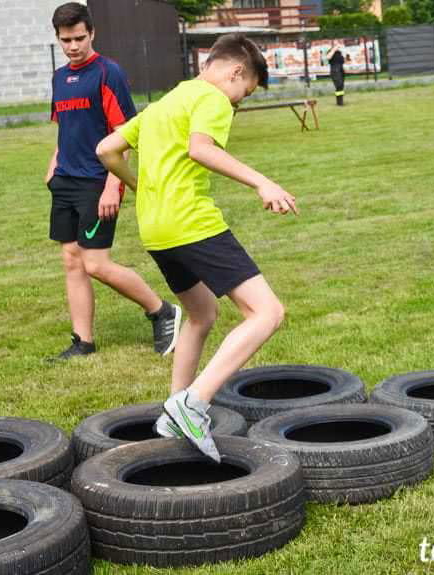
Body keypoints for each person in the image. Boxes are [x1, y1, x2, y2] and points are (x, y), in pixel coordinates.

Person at [96, 33, 298, 462]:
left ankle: (175, 408)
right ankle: (192, 404)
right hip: (191, 223)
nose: (238, 103)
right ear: (235, 71)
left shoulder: (165, 103)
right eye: (245, 92)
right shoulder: (212, 98)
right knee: (267, 312)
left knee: (202, 314)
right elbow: (200, 150)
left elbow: (107, 149)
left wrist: (142, 188)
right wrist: (262, 182)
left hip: (156, 229)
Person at [45, 2, 181, 360]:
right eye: (66, 40)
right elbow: (66, 129)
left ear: (92, 33)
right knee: (72, 261)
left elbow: (125, 135)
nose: (73, 46)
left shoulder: (109, 73)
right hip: (65, 181)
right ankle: (83, 342)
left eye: (79, 38)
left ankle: (162, 311)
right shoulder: (59, 78)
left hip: (97, 181)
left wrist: (112, 185)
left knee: (95, 264)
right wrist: (54, 164)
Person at [326, 42, 346, 106]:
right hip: (334, 70)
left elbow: (343, 61)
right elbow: (328, 57)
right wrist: (334, 49)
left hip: (341, 69)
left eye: (338, 44)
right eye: (336, 45)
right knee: (338, 85)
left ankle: (340, 101)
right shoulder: (330, 51)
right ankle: (340, 102)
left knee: (341, 86)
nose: (338, 46)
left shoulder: (340, 52)